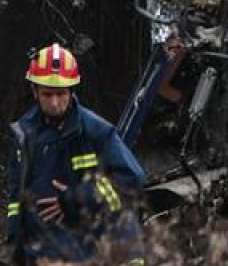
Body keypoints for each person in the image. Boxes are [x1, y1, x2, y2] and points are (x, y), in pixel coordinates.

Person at [4, 44, 146, 265]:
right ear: (34, 91)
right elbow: (16, 196)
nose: (54, 103)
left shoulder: (95, 132)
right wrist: (13, 244)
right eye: (47, 94)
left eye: (61, 94)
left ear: (71, 91)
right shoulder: (24, 134)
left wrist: (77, 198)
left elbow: (132, 180)